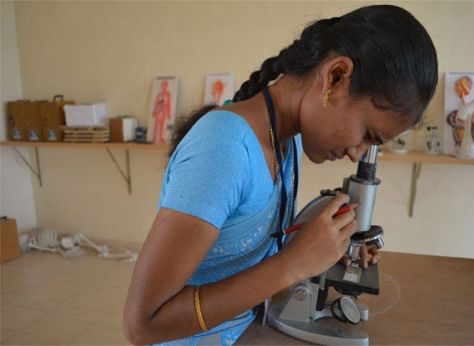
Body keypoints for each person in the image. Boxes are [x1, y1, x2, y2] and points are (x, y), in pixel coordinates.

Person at [123, 4, 438, 345]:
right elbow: (142, 325)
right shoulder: (223, 148)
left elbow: (253, 254)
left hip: (248, 330)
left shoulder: (287, 142)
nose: (356, 153)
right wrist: (293, 263)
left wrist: (333, 244)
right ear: (335, 77)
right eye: (367, 134)